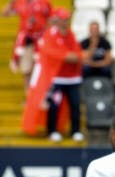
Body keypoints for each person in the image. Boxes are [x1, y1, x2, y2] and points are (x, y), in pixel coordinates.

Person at [38, 8, 83, 143]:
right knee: (54, 105)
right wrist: (66, 56)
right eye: (63, 19)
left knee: (75, 104)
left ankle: (75, 130)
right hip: (57, 78)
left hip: (72, 78)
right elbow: (51, 52)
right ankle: (52, 131)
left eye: (67, 19)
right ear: (57, 20)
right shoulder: (51, 34)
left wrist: (69, 56)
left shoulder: (70, 34)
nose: (65, 22)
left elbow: (78, 54)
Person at [2, 0, 51, 87]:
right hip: (25, 41)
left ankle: (38, 96)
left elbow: (51, 18)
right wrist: (11, 2)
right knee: (26, 70)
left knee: (39, 69)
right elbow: (4, 13)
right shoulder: (19, 2)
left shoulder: (44, 2)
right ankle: (29, 97)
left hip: (41, 40)